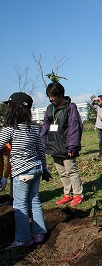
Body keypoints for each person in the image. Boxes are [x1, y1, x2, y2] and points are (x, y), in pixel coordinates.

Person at [0, 92, 48, 249]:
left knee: (19, 205)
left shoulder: (10, 128)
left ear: (14, 108)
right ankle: (39, 233)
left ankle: (23, 238)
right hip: (36, 168)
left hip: (22, 172)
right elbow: (40, 149)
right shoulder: (34, 127)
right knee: (34, 200)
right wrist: (45, 168)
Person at [40, 82, 84, 207]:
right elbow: (45, 127)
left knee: (71, 171)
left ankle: (77, 195)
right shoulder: (50, 108)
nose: (51, 99)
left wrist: (72, 146)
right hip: (54, 146)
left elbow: (74, 127)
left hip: (66, 146)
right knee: (62, 172)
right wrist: (42, 143)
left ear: (60, 95)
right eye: (49, 96)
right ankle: (67, 194)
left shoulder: (70, 108)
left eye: (52, 96)